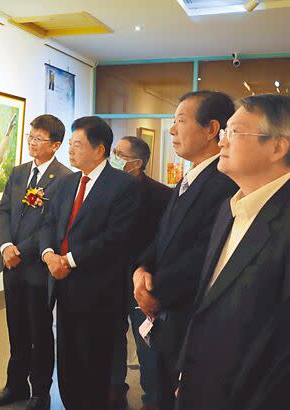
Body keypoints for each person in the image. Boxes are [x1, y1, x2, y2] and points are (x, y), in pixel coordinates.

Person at [176, 94, 290, 410]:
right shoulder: (230, 208)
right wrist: (187, 372)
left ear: (277, 147)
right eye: (224, 132)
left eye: (235, 132)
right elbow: (207, 303)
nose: (222, 143)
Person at [132, 91, 238, 410]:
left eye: (180, 120)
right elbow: (164, 236)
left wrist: (156, 292)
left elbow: (205, 253)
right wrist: (142, 268)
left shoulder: (224, 183)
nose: (172, 130)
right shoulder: (188, 179)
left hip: (188, 318)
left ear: (211, 129)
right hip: (166, 313)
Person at [40, 116, 140, 410]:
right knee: (67, 356)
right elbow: (48, 223)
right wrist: (48, 255)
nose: (70, 151)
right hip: (62, 285)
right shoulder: (67, 182)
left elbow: (116, 237)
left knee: (94, 359)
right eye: (70, 145)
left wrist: (68, 260)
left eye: (77, 145)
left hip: (99, 290)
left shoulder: (122, 185)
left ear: (99, 150)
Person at [0, 114, 71, 410]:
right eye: (30, 137)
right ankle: (15, 385)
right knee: (16, 327)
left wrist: (20, 250)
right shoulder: (19, 172)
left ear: (55, 145)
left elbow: (53, 225)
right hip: (10, 264)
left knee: (39, 330)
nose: (32, 143)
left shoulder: (64, 178)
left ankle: (40, 392)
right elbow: (4, 211)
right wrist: (6, 245)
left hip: (37, 267)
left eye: (39, 139)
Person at [108, 136, 172, 410]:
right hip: (109, 279)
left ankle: (153, 396)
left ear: (135, 163)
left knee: (146, 341)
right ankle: (114, 388)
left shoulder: (161, 195)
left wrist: (144, 270)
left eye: (118, 153)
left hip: (142, 280)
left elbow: (164, 239)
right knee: (111, 336)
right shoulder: (106, 188)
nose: (113, 156)